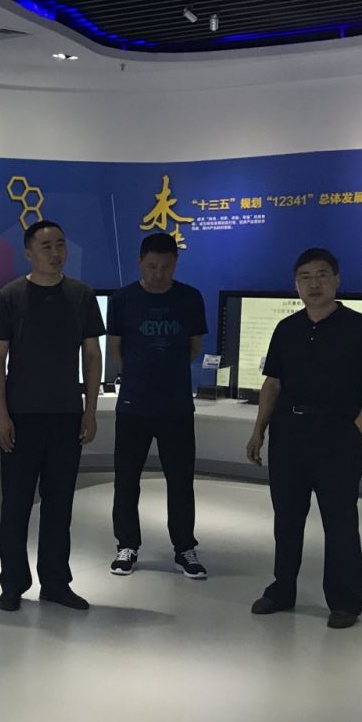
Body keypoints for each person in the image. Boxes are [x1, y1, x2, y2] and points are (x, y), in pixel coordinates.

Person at [245, 248, 362, 629]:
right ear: (296, 284)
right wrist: (259, 430)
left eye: (322, 275)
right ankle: (282, 590)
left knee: (339, 521)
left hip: (337, 436)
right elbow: (272, 384)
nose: (314, 284)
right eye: (305, 277)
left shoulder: (358, 328)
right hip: (289, 435)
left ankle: (345, 601)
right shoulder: (286, 329)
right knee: (286, 519)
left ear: (336, 279)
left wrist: (357, 428)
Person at [0, 220, 104, 612]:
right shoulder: (9, 297)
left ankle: (55, 582)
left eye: (60, 245)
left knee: (59, 504)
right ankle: (12, 583)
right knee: (15, 504)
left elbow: (92, 355)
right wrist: (1, 416)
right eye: (46, 247)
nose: (55, 253)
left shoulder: (81, 295)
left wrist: (90, 410)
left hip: (66, 414)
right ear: (28, 253)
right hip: (21, 416)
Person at [107, 232, 209, 579]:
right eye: (152, 266)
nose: (158, 274)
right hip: (133, 404)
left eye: (166, 267)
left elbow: (194, 346)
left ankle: (185, 548)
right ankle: (127, 545)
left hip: (176, 404)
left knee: (181, 480)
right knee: (126, 479)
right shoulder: (123, 299)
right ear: (140, 262)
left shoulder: (190, 297)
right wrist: (136, 375)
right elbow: (115, 347)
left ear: (175, 264)